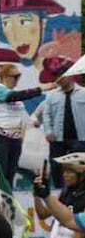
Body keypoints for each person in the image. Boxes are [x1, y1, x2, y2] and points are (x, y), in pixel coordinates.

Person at [0, 62, 45, 188]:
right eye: (14, 76)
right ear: (2, 77)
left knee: (10, 173)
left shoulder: (12, 93)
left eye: (18, 76)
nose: (17, 79)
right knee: (1, 173)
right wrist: (41, 89)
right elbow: (14, 96)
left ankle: (8, 201)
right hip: (0, 137)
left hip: (15, 138)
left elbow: (18, 115)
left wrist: (33, 123)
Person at [34, 152, 85, 238]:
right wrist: (38, 194)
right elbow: (42, 214)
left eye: (69, 171)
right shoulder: (65, 193)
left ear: (81, 175)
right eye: (64, 171)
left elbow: (81, 229)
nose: (65, 175)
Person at [41, 57, 85, 187]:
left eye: (62, 76)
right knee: (56, 167)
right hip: (57, 139)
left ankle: (79, 193)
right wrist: (48, 131)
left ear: (70, 76)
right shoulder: (52, 95)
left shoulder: (83, 93)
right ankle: (60, 192)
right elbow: (46, 113)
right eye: (57, 76)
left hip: (79, 138)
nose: (59, 79)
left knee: (78, 168)